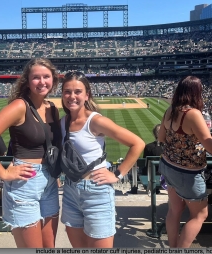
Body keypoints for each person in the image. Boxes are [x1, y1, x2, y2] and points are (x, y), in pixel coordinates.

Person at [0, 58, 61, 248]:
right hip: (25, 183)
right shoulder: (19, 106)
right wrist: (3, 173)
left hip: (50, 182)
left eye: (46, 76)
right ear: (27, 81)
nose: (42, 81)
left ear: (53, 79)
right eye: (36, 77)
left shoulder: (52, 108)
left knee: (49, 246)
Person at [59, 71, 145, 248]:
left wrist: (117, 174)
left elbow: (137, 143)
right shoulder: (62, 122)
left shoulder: (95, 121)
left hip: (95, 191)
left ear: (87, 94)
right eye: (67, 91)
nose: (72, 96)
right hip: (70, 190)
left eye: (77, 91)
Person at [158, 76, 211, 248]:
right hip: (187, 173)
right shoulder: (193, 114)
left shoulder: (171, 109)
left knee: (174, 210)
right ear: (196, 92)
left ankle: (173, 248)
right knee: (200, 214)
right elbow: (209, 145)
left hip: (168, 166)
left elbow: (161, 137)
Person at [127, 124, 163, 194]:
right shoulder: (170, 148)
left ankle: (134, 189)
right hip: (166, 174)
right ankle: (156, 189)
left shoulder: (149, 147)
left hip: (150, 175)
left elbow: (145, 163)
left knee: (133, 171)